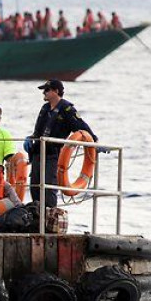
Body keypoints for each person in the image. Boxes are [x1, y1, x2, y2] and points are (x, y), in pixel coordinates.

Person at [25, 79, 97, 207]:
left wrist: (94, 142)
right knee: (35, 187)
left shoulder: (67, 109)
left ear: (56, 91)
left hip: (53, 155)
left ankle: (50, 213)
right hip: (38, 153)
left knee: (49, 187)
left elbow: (82, 127)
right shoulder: (45, 108)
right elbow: (38, 131)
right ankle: (36, 214)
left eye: (47, 90)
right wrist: (30, 139)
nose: (44, 93)